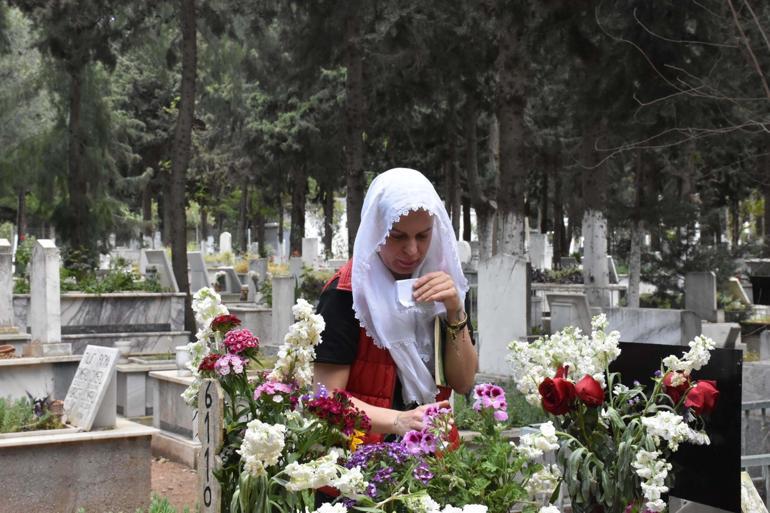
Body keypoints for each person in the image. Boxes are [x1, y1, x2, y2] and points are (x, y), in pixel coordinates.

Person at [313, 168, 478, 439]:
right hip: (361, 461)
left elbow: (463, 381)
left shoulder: (443, 283)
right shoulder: (346, 294)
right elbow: (325, 397)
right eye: (398, 236)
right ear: (377, 230)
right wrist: (397, 420)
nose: (412, 250)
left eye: (423, 236)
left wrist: (454, 310)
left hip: (431, 455)